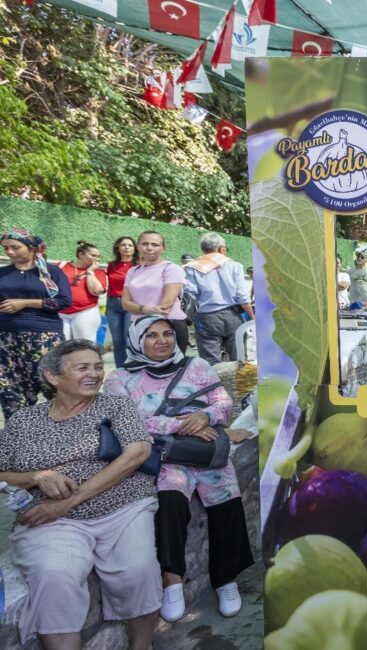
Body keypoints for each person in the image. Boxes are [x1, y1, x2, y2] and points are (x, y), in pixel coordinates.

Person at [0, 339, 159, 648]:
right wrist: (37, 476)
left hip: (122, 506)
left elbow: (138, 452)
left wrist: (72, 499)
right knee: (55, 574)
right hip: (50, 519)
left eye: (98, 367)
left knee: (137, 569)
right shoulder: (22, 421)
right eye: (83, 367)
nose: (95, 374)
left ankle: (142, 645)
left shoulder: (115, 405)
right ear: (53, 377)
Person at [105, 317, 253, 622]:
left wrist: (206, 416)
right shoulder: (120, 378)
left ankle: (226, 580)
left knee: (227, 500)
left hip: (206, 451)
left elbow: (223, 403)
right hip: (162, 455)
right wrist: (184, 426)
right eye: (152, 335)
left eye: (168, 334)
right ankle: (171, 581)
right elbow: (128, 421)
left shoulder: (197, 366)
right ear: (136, 340)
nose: (162, 340)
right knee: (170, 502)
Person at [0, 229, 73, 420]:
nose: (10, 252)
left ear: (32, 248)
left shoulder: (50, 272)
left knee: (53, 384)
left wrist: (24, 303)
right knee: (9, 388)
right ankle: (18, 434)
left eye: (16, 247)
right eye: (6, 248)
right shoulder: (3, 273)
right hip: (6, 337)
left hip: (43, 337)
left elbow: (64, 301)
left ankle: (62, 430)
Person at [183, 233, 255, 365]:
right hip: (233, 316)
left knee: (210, 361)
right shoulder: (235, 266)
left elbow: (190, 295)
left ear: (203, 249)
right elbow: (242, 297)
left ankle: (214, 384)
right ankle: (239, 385)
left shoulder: (191, 267)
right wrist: (252, 317)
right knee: (239, 358)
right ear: (222, 249)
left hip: (206, 318)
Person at [121, 231, 190, 354]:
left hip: (169, 327)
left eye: (155, 244)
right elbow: (125, 303)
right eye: (144, 244)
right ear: (138, 246)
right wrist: (145, 309)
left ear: (163, 248)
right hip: (139, 327)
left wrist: (139, 309)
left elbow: (166, 305)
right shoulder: (133, 271)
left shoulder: (172, 269)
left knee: (172, 371)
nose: (149, 248)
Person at [58, 241, 108, 343]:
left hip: (85, 312)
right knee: (60, 345)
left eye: (99, 256)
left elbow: (96, 291)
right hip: (60, 312)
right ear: (81, 254)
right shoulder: (61, 266)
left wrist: (90, 272)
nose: (97, 259)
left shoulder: (99, 272)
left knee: (83, 345)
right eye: (93, 255)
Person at [106, 236, 138, 368]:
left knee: (129, 339)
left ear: (135, 248)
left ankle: (133, 367)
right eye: (123, 245)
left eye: (130, 245)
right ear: (118, 248)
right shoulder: (111, 265)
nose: (126, 247)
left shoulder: (139, 266)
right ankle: (121, 370)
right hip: (113, 305)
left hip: (131, 304)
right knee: (117, 341)